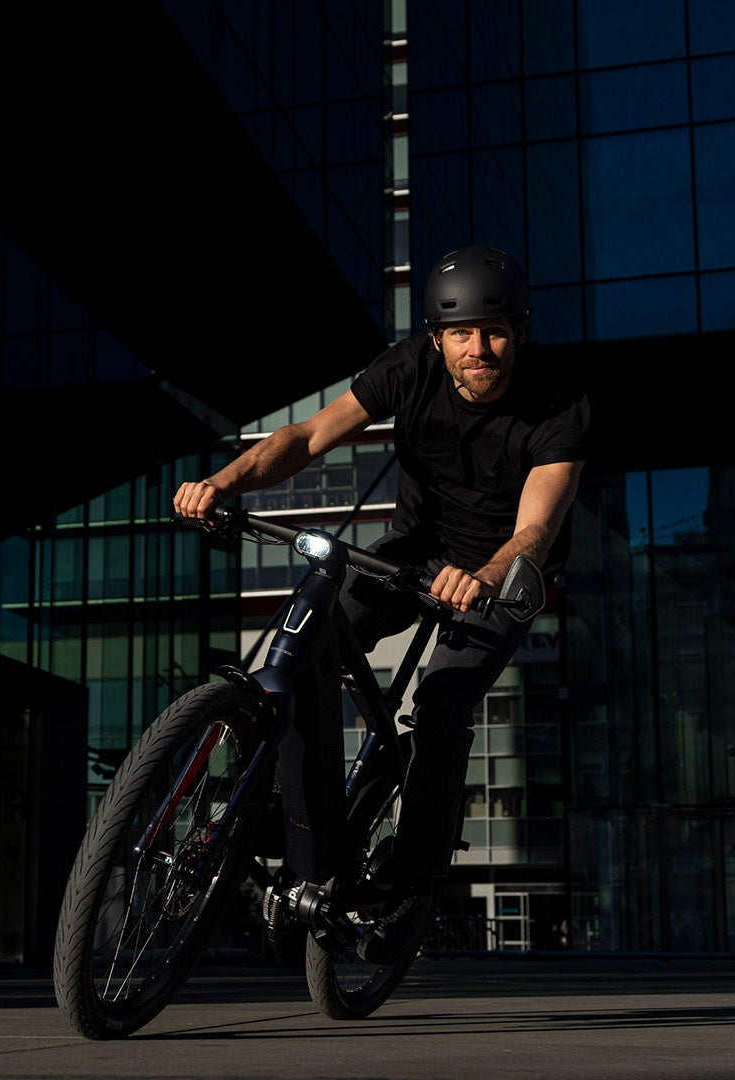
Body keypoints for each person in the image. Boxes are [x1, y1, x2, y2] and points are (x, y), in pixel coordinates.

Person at [172, 244, 591, 963]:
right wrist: (224, 485)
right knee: (306, 646)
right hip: (410, 550)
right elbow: (307, 436)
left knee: (442, 705)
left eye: (494, 331)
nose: (478, 349)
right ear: (438, 339)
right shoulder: (411, 367)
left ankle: (412, 882)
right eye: (461, 334)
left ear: (520, 330)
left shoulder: (561, 405)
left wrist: (486, 574)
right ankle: (300, 818)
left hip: (501, 576)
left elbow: (536, 527)